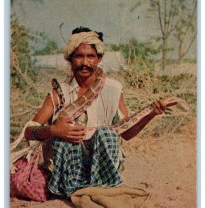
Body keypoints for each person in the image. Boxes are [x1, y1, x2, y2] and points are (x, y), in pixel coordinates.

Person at [24, 26, 164, 198]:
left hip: (103, 167)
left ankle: (103, 186)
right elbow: (28, 131)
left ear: (99, 59)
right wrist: (54, 130)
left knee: (107, 133)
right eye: (79, 56)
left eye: (90, 56)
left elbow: (126, 133)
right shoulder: (59, 92)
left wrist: (150, 113)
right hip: (69, 172)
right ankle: (73, 189)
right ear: (70, 59)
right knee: (63, 138)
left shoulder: (113, 89)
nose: (85, 62)